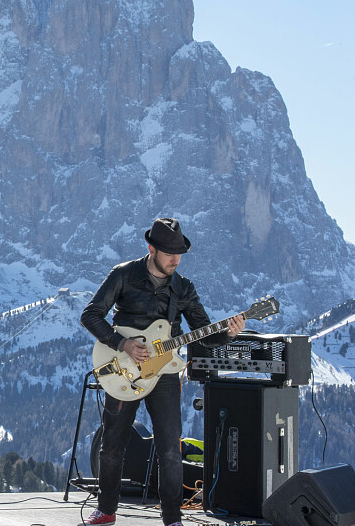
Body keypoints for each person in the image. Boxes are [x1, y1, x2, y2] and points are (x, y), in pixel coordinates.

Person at [79, 217, 245, 526]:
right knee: (112, 443)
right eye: (169, 252)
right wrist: (122, 343)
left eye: (179, 253)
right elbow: (90, 315)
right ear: (151, 249)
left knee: (170, 446)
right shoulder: (124, 275)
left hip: (166, 374)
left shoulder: (184, 288)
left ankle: (172, 518)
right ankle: (106, 510)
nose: (175, 259)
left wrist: (229, 333)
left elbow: (204, 335)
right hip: (122, 370)